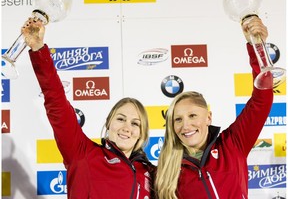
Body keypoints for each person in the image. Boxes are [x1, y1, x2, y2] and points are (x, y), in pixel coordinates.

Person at [21, 17, 156, 199]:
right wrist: (38, 49)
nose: (126, 128)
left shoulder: (152, 173)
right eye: (121, 119)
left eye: (135, 123)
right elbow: (57, 103)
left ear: (142, 133)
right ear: (108, 123)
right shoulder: (82, 154)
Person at [155, 16, 273, 199]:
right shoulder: (167, 169)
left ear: (208, 117)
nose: (185, 126)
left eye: (193, 115)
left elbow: (262, 99)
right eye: (178, 119)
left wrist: (257, 46)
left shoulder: (233, 144)